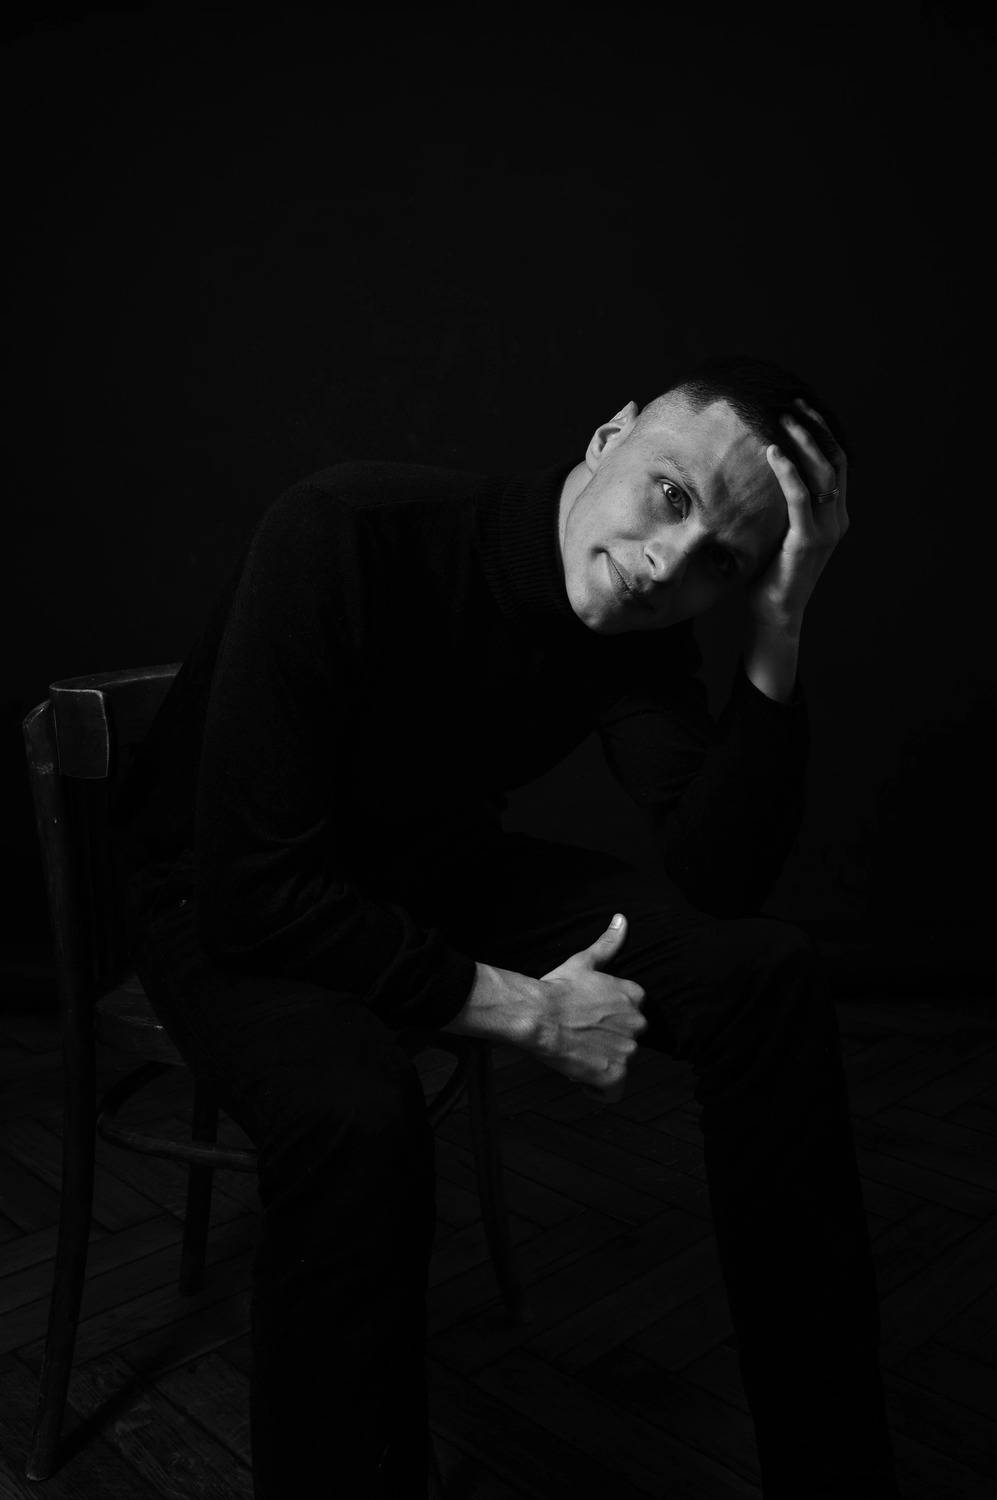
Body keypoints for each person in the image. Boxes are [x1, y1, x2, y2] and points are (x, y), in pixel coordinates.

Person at [110, 355, 901, 1498]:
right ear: (609, 435)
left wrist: (778, 619)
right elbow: (255, 891)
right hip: (228, 893)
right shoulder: (347, 528)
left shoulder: (642, 624)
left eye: (720, 562)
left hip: (430, 869)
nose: (664, 564)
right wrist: (526, 1010)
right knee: (354, 1113)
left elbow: (721, 876)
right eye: (670, 495)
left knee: (761, 974)